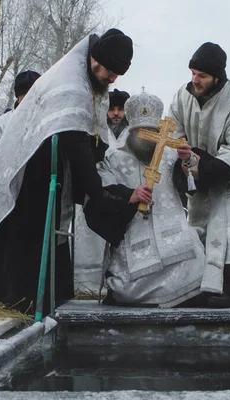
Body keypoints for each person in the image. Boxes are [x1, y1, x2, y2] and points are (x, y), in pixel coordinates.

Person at [0, 29, 133, 313]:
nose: (113, 79)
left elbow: (90, 139)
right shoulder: (71, 83)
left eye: (118, 74)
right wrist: (98, 194)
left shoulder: (91, 79)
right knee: (29, 228)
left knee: (48, 228)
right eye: (111, 71)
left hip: (52, 164)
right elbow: (76, 143)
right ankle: (24, 300)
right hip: (32, 166)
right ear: (95, 59)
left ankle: (50, 296)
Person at [169, 42, 230, 308]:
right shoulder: (182, 97)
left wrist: (198, 162)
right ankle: (202, 289)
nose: (195, 80)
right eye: (192, 73)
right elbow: (172, 130)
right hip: (200, 178)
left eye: (201, 75)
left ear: (217, 76)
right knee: (199, 231)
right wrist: (182, 157)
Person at [84, 91, 207, 307]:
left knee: (197, 260)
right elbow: (102, 194)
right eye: (142, 132)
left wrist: (187, 161)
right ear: (131, 131)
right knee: (125, 288)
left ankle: (182, 295)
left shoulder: (170, 154)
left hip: (172, 228)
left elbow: (187, 186)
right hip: (133, 230)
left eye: (152, 132)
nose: (147, 136)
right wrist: (129, 196)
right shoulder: (114, 157)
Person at [73, 87, 130, 293]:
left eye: (120, 109)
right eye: (112, 109)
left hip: (123, 195)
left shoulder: (132, 135)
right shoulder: (97, 131)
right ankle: (85, 286)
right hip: (98, 189)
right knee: (91, 237)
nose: (116, 114)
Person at [0, 70, 41, 180]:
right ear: (18, 97)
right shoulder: (3, 123)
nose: (31, 101)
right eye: (26, 96)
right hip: (10, 183)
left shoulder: (45, 119)